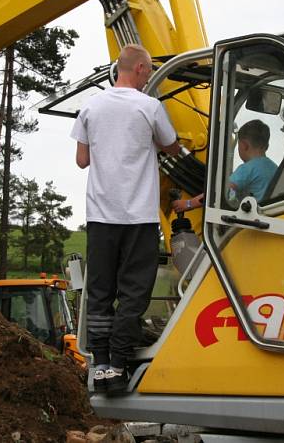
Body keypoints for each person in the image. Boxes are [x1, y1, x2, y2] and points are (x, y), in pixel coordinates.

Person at [71, 44, 182, 395]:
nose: (149, 76)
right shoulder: (149, 106)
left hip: (101, 215)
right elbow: (170, 145)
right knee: (134, 291)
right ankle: (119, 365)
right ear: (138, 69)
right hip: (139, 216)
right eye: (148, 71)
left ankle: (101, 365)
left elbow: (82, 161)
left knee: (101, 292)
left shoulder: (90, 106)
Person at [171, 119, 277, 212]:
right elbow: (232, 193)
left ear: (244, 145)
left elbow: (219, 193)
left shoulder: (247, 169)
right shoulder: (274, 168)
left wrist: (189, 203)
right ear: (266, 146)